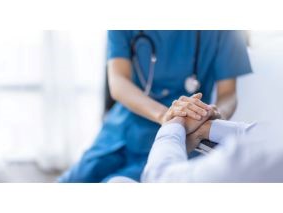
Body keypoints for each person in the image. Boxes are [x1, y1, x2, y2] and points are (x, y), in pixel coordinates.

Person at [58, 30, 252, 183]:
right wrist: (165, 115)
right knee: (73, 181)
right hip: (124, 126)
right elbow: (118, 82)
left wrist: (214, 113)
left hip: (185, 134)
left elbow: (228, 94)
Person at [141, 104, 283, 182]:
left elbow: (159, 181)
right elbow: (264, 134)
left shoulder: (252, 160)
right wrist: (207, 127)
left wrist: (174, 123)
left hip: (166, 155)